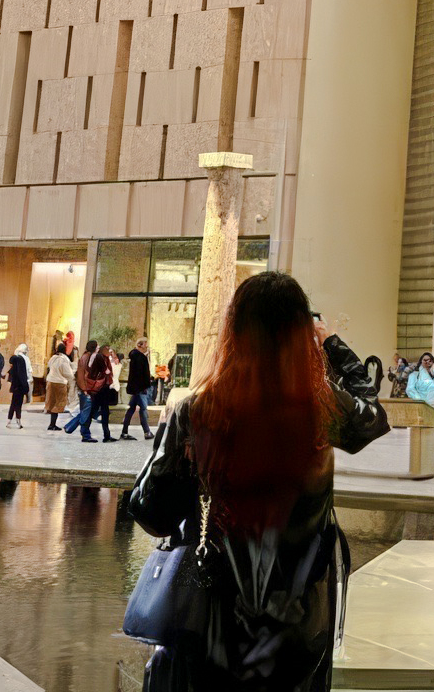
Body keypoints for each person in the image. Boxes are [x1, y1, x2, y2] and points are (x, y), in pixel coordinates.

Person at [127, 271, 354, 690]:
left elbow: (150, 512)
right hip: (299, 625)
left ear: (234, 332)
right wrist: (332, 343)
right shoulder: (323, 412)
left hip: (212, 624)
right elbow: (372, 412)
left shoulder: (196, 413)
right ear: (303, 335)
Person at [74, 343, 118, 443]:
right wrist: (84, 388)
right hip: (98, 389)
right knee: (89, 412)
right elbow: (85, 374)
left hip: (99, 389)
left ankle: (104, 435)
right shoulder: (95, 357)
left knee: (95, 411)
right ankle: (84, 434)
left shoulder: (95, 357)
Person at [124, 336, 157, 441]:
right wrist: (144, 385)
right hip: (140, 388)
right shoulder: (139, 358)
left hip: (136, 388)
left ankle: (124, 432)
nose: (147, 346)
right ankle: (147, 432)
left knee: (132, 409)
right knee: (142, 409)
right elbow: (140, 374)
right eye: (145, 344)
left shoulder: (136, 356)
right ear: (140, 345)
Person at [44, 342, 75, 428]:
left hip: (50, 381)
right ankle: (53, 424)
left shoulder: (53, 358)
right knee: (58, 404)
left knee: (51, 402)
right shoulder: (63, 360)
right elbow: (68, 374)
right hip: (60, 383)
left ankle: (52, 424)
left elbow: (49, 367)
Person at [7, 342, 32, 427]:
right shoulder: (24, 359)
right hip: (21, 385)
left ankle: (9, 420)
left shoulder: (14, 359)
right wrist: (26, 385)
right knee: (19, 404)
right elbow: (26, 373)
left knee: (13, 403)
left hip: (15, 385)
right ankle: (18, 420)